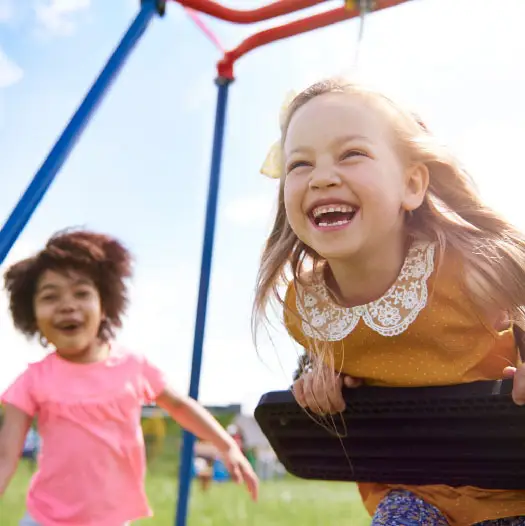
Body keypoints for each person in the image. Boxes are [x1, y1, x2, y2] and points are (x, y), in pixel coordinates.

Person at [253, 78, 525, 526]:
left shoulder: (469, 270)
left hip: (508, 480)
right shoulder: (305, 306)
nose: (322, 177)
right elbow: (328, 360)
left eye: (351, 154)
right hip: (410, 486)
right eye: (299, 163)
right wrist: (318, 381)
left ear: (412, 185)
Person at [0, 229, 258, 526]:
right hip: (45, 518)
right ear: (31, 315)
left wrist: (226, 445)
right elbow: (6, 458)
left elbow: (180, 407)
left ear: (104, 305)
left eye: (81, 293)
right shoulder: (32, 380)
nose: (67, 305)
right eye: (50, 296)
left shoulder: (133, 367)